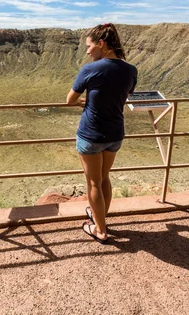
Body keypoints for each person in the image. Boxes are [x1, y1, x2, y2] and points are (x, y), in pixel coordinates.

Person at [66, 23, 137, 244]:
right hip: (115, 134)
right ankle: (100, 218)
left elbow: (69, 100)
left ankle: (100, 230)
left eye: (89, 46)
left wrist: (83, 104)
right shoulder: (131, 70)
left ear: (101, 43)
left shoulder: (90, 69)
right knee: (105, 178)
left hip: (91, 134)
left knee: (93, 183)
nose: (87, 51)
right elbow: (121, 97)